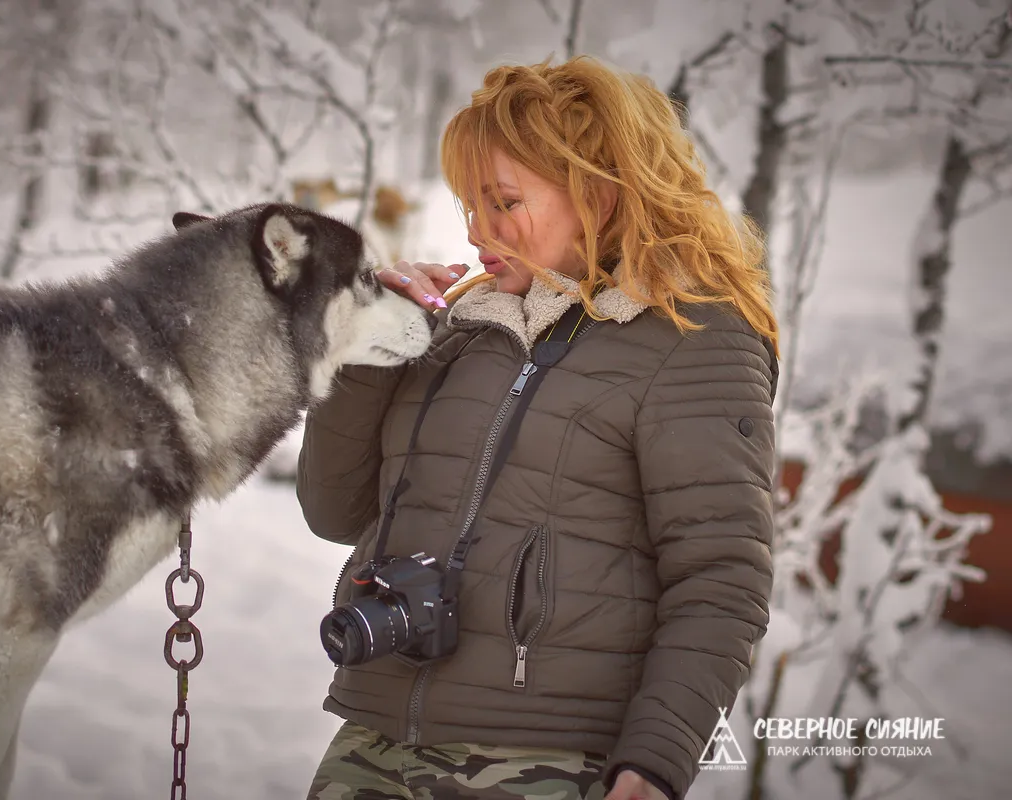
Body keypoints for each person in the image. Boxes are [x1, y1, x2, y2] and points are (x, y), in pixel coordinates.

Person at [297, 55, 779, 800]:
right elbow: (334, 511)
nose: (479, 231)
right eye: (468, 206)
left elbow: (720, 576)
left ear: (600, 194)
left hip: (544, 761)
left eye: (504, 202)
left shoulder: (695, 339)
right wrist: (371, 344)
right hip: (371, 740)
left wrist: (655, 758)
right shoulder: (458, 328)